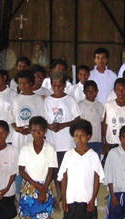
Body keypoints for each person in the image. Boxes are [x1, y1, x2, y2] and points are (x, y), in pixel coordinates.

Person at [57, 119, 105, 219]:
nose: (79, 139)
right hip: (72, 196)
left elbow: (97, 179)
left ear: (88, 136)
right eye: (76, 136)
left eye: (82, 135)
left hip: (87, 196)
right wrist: (64, 199)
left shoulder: (93, 155)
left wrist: (93, 199)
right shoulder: (68, 155)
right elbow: (63, 178)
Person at [44, 71, 81, 203]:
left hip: (66, 143)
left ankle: (68, 195)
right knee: (55, 171)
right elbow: (43, 120)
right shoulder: (47, 101)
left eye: (60, 85)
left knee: (67, 171)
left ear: (64, 85)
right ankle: (58, 195)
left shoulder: (69, 100)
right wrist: (49, 126)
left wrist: (64, 125)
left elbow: (77, 119)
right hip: (52, 142)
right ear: (51, 86)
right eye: (55, 85)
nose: (57, 88)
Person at [14, 116, 57, 219]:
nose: (37, 133)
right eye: (34, 130)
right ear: (29, 131)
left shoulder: (50, 148)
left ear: (45, 131)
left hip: (44, 185)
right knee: (27, 214)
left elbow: (51, 170)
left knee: (42, 215)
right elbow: (21, 170)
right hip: (30, 184)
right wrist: (35, 184)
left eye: (40, 131)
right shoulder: (25, 148)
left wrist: (43, 190)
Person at [10, 70, 45, 151]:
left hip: (33, 135)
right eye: (20, 83)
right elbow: (11, 118)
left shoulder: (37, 99)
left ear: (31, 83)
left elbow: (41, 119)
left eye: (25, 83)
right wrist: (16, 128)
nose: (23, 86)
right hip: (18, 137)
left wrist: (30, 129)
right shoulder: (15, 99)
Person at [102, 78, 125, 155]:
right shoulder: (108, 105)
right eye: (118, 89)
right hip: (112, 141)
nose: (121, 92)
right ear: (114, 90)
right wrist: (104, 141)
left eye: (123, 89)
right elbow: (105, 124)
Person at [78, 80, 105, 155]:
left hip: (97, 140)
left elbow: (102, 123)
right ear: (84, 92)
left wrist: (103, 141)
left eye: (93, 91)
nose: (91, 93)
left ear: (97, 91)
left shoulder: (100, 105)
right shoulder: (80, 105)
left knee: (96, 161)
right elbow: (78, 125)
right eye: (88, 91)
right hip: (85, 140)